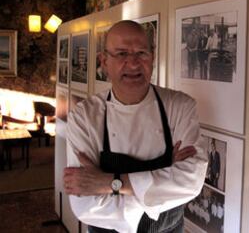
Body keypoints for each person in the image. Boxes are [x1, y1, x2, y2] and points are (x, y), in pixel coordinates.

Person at [63, 20, 208, 233]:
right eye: (121, 54)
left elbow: (191, 181)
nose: (133, 63)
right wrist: (164, 184)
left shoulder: (180, 106)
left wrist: (109, 183)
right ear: (104, 61)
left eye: (141, 53)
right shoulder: (84, 117)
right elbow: (85, 205)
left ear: (153, 58)